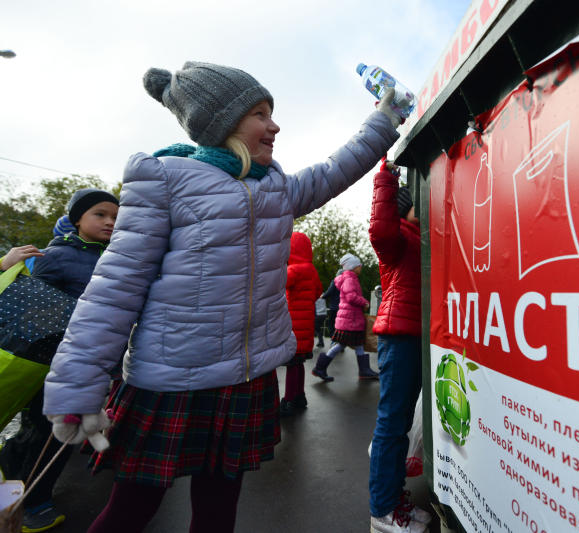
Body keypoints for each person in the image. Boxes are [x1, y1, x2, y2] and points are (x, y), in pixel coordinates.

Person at [41, 61, 401, 533]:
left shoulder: (275, 187)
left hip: (243, 379)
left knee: (218, 513)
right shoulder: (164, 180)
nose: (274, 125)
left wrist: (383, 120)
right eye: (259, 113)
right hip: (170, 380)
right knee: (131, 510)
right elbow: (115, 288)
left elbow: (337, 168)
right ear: (223, 122)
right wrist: (77, 387)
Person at [0, 190, 119, 533]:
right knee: (45, 431)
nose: (110, 221)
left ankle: (21, 481)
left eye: (115, 216)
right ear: (77, 219)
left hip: (92, 361)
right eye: (100, 214)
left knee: (62, 432)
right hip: (48, 360)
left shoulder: (117, 257)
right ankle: (32, 503)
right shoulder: (56, 255)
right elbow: (31, 307)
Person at [367, 161, 431, 533]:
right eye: (417, 202)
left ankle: (394, 498)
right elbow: (379, 227)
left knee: (401, 424)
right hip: (400, 336)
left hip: (417, 336)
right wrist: (385, 179)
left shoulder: (421, 237)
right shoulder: (398, 238)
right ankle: (383, 510)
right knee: (392, 424)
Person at [312, 253, 378, 381]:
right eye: (359, 265)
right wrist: (364, 302)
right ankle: (320, 368)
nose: (361, 267)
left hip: (350, 319)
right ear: (352, 267)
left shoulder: (349, 278)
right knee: (341, 345)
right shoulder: (349, 279)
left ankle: (363, 370)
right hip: (350, 320)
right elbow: (351, 297)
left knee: (354, 345)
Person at [281, 231, 323, 416]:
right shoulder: (311, 270)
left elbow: (279, 284)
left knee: (292, 364)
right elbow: (318, 292)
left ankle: (288, 399)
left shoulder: (294, 270)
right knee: (299, 364)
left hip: (294, 326)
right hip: (306, 325)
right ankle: (300, 396)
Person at [322, 270, 342, 338]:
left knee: (331, 325)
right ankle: (339, 342)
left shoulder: (335, 281)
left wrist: (323, 296)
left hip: (334, 307)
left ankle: (334, 342)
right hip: (342, 308)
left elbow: (329, 291)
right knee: (340, 326)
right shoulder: (346, 282)